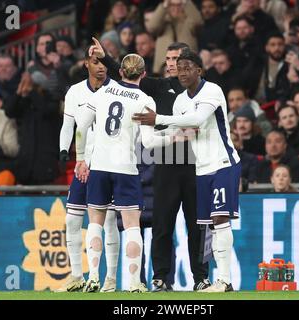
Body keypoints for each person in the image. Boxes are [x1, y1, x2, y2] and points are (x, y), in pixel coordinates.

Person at [90, 39, 210, 292]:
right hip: (165, 163)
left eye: (176, 59)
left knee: (198, 225)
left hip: (196, 164)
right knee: (162, 225)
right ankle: (161, 277)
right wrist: (105, 57)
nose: (171, 64)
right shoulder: (158, 87)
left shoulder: (204, 92)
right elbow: (126, 77)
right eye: (167, 60)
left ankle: (201, 277)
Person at [133, 50, 242, 292]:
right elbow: (182, 131)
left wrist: (158, 119)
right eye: (178, 67)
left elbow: (196, 120)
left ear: (199, 71)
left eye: (187, 67)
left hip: (222, 163)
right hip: (201, 169)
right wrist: (153, 137)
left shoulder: (212, 90)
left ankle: (223, 281)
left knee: (220, 221)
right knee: (209, 225)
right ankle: (214, 281)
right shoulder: (180, 101)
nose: (182, 71)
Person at [75, 53, 182, 293]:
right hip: (125, 168)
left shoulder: (102, 92)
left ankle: (93, 279)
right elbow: (150, 142)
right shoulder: (145, 99)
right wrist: (175, 136)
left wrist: (81, 158)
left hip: (99, 166)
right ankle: (135, 283)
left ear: (121, 72)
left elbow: (81, 126)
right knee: (133, 226)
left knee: (95, 223)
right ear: (143, 74)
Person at [55, 51, 121, 293]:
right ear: (86, 64)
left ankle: (110, 279)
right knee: (72, 219)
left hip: (108, 164)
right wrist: (64, 151)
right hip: (83, 164)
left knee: (110, 220)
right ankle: (76, 276)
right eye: (96, 62)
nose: (101, 67)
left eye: (104, 62)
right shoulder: (75, 91)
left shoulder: (117, 90)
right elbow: (68, 125)